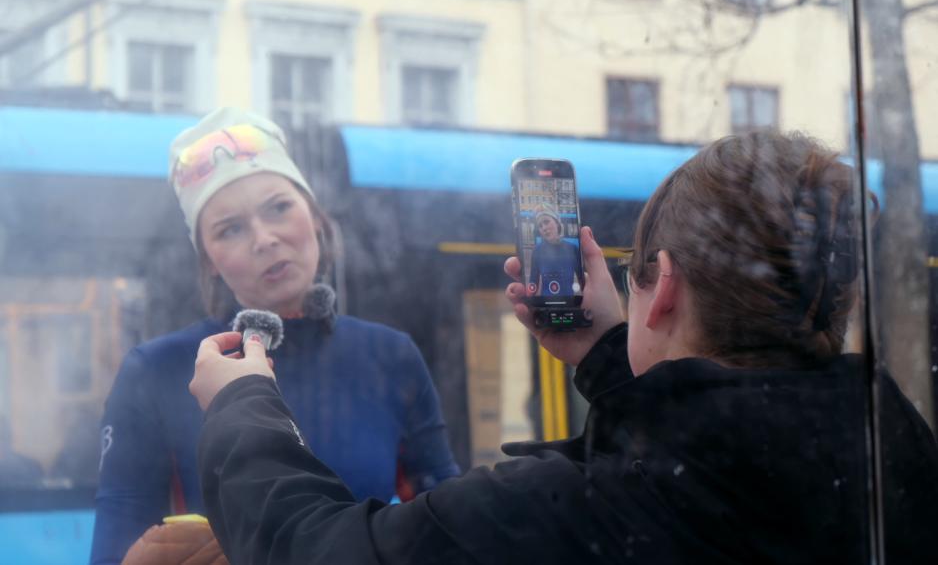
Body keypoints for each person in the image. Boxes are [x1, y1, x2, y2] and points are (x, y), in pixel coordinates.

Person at [189, 131, 938, 564]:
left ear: (664, 287)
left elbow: (311, 551)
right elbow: (708, 455)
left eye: (635, 282)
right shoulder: (894, 458)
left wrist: (241, 405)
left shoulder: (559, 515)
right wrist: (611, 353)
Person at [90, 108, 459, 564]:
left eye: (278, 207)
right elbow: (112, 546)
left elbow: (449, 523)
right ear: (209, 260)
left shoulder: (391, 356)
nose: (264, 238)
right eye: (230, 229)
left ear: (316, 216)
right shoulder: (156, 370)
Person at [528, 202, 583, 297]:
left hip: (569, 305)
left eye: (546, 222)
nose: (544, 228)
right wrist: (529, 304)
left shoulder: (573, 249)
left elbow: (583, 281)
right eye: (540, 226)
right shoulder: (537, 251)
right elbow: (533, 283)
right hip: (545, 307)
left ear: (557, 223)